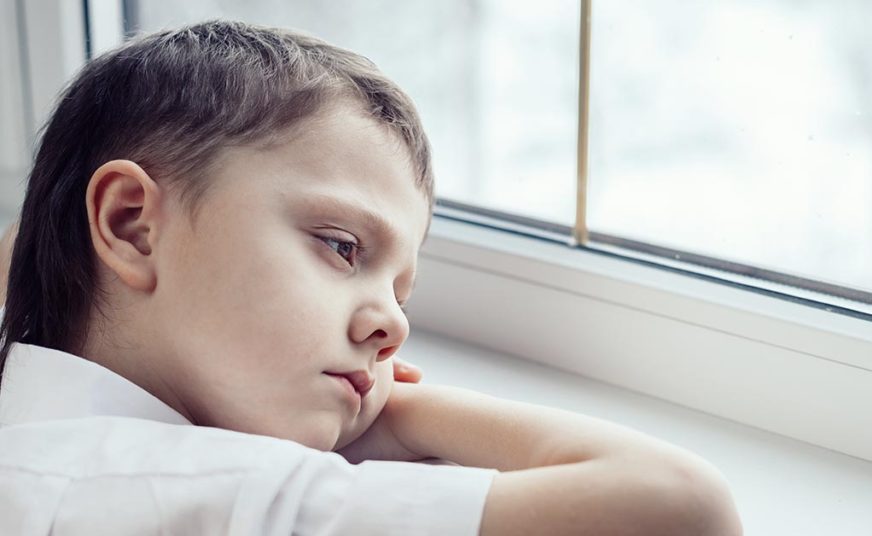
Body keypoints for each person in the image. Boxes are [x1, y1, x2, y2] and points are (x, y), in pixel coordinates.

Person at [0, 21, 742, 535]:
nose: (393, 325)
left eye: (400, 291)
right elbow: (678, 508)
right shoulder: (189, 494)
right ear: (132, 224)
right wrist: (402, 415)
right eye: (343, 247)